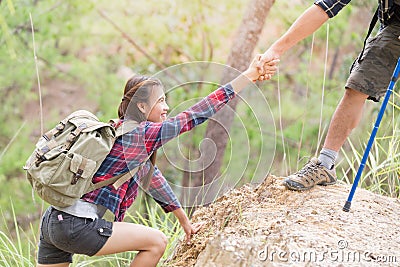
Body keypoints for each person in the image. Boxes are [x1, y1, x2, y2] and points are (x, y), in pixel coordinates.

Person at [36, 55, 279, 267]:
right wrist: (248, 75)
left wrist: (184, 221)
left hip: (52, 223)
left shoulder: (118, 131)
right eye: (160, 100)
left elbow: (153, 180)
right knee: (156, 242)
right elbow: (197, 113)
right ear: (142, 106)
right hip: (76, 225)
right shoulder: (142, 134)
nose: (166, 107)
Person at [257, 0, 400, 191]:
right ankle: (325, 164)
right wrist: (276, 49)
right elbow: (325, 7)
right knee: (358, 85)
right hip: (395, 27)